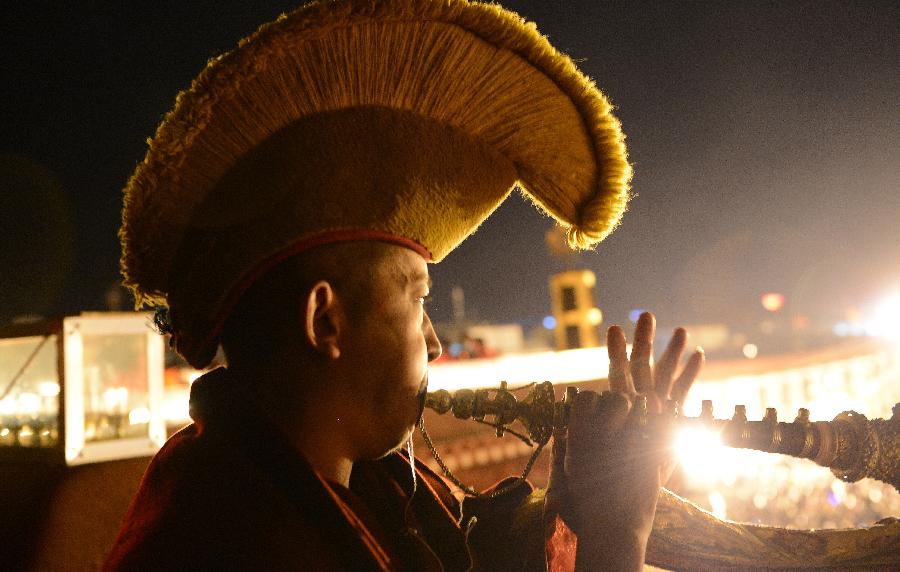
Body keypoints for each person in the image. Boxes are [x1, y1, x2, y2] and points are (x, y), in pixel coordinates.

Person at [104, 1, 704, 569]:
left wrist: (586, 496)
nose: (436, 342)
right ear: (325, 321)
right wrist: (620, 539)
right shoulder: (228, 542)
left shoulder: (369, 483)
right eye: (418, 301)